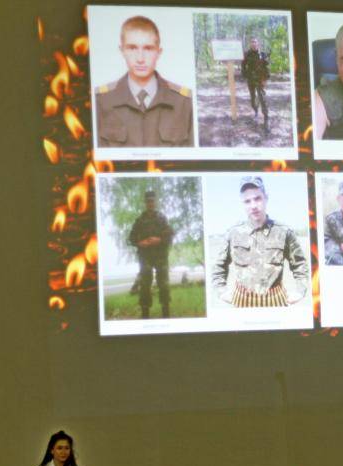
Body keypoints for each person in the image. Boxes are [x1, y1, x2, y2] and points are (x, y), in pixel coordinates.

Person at [95, 15, 194, 148]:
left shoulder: (184, 102)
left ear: (159, 52)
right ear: (122, 51)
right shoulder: (101, 101)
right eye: (132, 48)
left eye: (148, 48)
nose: (140, 59)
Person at [212, 176, 309, 307]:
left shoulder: (283, 232)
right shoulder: (233, 233)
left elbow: (300, 264)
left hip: (275, 303)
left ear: (266, 198)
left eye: (257, 198)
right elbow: (218, 266)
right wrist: (221, 291)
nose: (253, 206)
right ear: (242, 204)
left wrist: (300, 291)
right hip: (242, 303)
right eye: (247, 201)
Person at [128, 190, 174, 318]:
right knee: (145, 285)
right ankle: (145, 315)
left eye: (152, 201)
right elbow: (131, 238)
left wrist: (159, 240)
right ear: (145, 203)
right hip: (145, 257)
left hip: (161, 256)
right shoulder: (139, 220)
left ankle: (166, 314)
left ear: (155, 202)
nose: (150, 203)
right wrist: (140, 243)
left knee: (164, 284)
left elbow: (170, 236)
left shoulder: (162, 218)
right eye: (148, 201)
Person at [241, 37, 270, 133]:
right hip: (251, 80)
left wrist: (265, 79)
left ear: (258, 44)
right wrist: (245, 75)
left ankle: (266, 119)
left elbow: (267, 68)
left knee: (262, 98)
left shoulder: (263, 54)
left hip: (260, 80)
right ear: (250, 44)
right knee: (253, 98)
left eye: (255, 42)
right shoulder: (246, 54)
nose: (253, 44)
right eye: (252, 42)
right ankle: (256, 111)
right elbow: (243, 66)